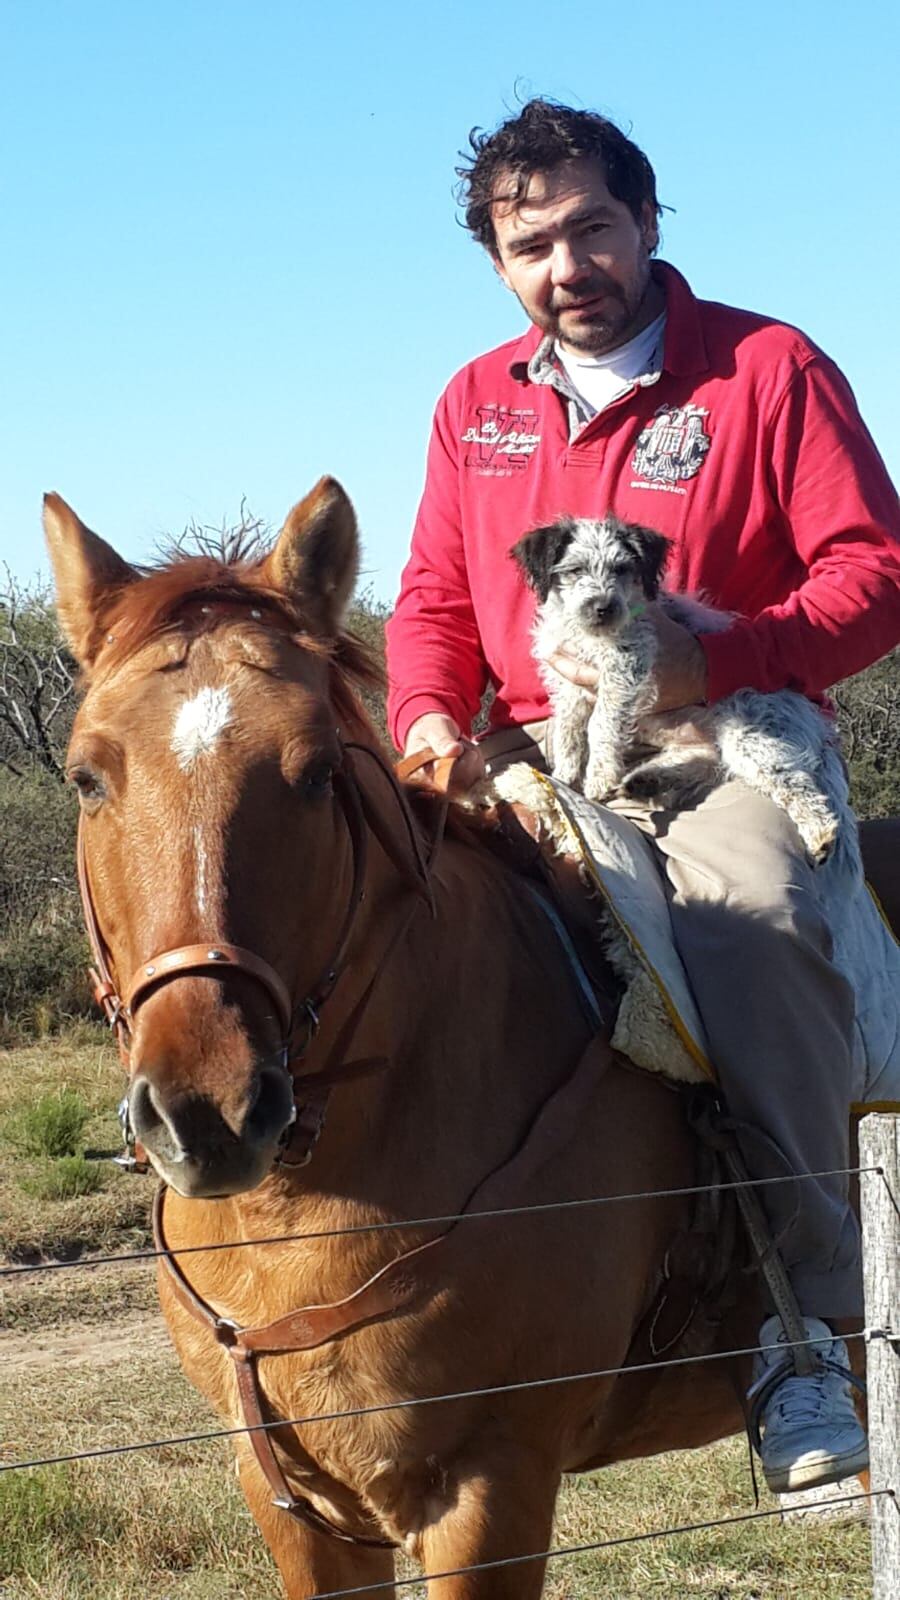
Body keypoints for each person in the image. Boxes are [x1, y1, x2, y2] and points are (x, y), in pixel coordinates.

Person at [384, 99, 900, 1494]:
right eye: (528, 242)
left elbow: (875, 571)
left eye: (590, 227)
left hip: (726, 735)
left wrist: (724, 653)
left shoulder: (768, 367)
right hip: (536, 750)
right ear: (499, 261)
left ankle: (814, 1334)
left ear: (648, 222)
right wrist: (428, 721)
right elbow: (435, 597)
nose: (566, 265)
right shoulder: (473, 405)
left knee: (751, 926)